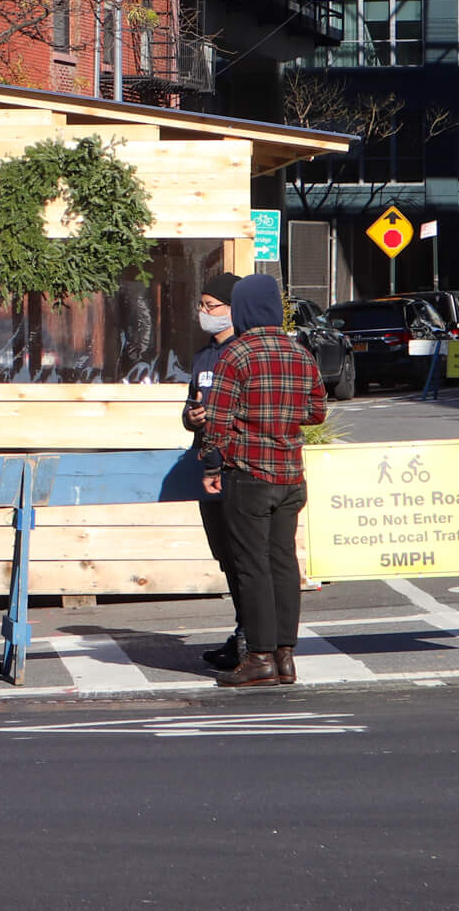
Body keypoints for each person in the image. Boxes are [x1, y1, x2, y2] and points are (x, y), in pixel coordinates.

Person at [200, 273, 327, 687]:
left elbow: (216, 421)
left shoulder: (235, 355)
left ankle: (258, 657)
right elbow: (317, 412)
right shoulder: (300, 353)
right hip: (291, 475)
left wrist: (212, 462)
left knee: (251, 565)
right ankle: (285, 655)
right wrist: (282, 417)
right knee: (283, 563)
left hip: (249, 474)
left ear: (245, 309)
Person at [183, 271, 245, 671]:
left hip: (237, 468)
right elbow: (190, 406)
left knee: (245, 557)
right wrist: (192, 416)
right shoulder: (204, 356)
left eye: (212, 306)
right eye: (201, 306)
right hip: (206, 464)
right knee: (224, 555)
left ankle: (251, 637)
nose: (204, 313)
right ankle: (243, 627)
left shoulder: (243, 352)